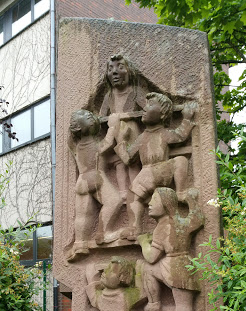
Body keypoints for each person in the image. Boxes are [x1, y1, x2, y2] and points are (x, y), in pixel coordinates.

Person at [113, 92, 196, 240]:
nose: (145, 108)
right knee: (180, 160)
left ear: (163, 114)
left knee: (134, 196)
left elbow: (180, 136)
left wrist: (188, 118)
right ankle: (135, 227)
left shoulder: (163, 133)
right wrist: (122, 140)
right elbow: (127, 158)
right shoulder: (142, 137)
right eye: (145, 105)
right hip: (150, 172)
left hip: (155, 170)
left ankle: (135, 227)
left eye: (150, 105)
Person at [137, 187, 204, 311]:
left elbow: (151, 257)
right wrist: (192, 200)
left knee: (145, 266)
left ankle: (154, 304)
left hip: (172, 266)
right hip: (187, 265)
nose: (150, 204)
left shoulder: (162, 227)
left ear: (166, 204)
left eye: (154, 200)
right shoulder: (181, 221)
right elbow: (198, 219)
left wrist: (144, 242)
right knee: (184, 305)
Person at [67, 109, 122, 260]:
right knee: (114, 201)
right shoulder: (93, 143)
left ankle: (80, 244)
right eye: (85, 117)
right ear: (78, 128)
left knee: (83, 215)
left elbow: (69, 140)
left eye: (90, 114)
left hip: (81, 183)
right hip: (96, 178)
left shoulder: (76, 146)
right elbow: (107, 143)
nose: (90, 116)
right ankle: (103, 232)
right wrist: (113, 126)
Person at [99, 54, 147, 201]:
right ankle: (122, 192)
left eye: (120, 67)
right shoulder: (109, 96)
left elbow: (148, 110)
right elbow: (101, 116)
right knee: (119, 163)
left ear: (129, 71)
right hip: (114, 131)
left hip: (131, 130)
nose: (115, 72)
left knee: (131, 161)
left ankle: (135, 189)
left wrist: (125, 115)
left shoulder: (136, 91)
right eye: (110, 68)